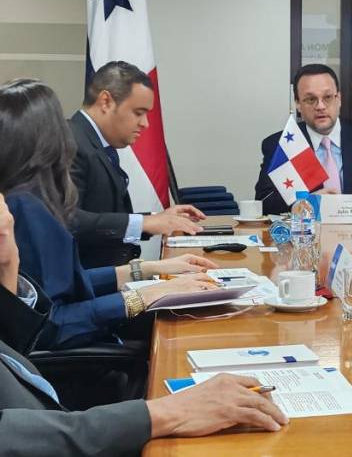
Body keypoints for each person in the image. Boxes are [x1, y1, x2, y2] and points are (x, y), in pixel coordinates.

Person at [0, 194, 288, 456]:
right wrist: (166, 413)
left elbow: (32, 326)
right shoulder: (26, 205)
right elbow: (50, 330)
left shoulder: (25, 207)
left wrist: (144, 271)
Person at [0, 78, 219, 350]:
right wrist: (146, 296)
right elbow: (51, 323)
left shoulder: (23, 197)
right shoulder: (24, 205)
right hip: (75, 364)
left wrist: (147, 270)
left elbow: (64, 284)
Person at [70, 60, 205, 268]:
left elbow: (104, 212)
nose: (145, 124)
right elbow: (68, 220)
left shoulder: (96, 142)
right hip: (90, 286)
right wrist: (144, 223)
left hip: (112, 277)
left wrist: (156, 219)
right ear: (105, 101)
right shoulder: (70, 141)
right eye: (138, 112)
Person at [254, 64, 352, 214]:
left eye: (328, 97)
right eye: (311, 99)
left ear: (339, 99)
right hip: (307, 236)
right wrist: (308, 203)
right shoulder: (281, 144)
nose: (320, 106)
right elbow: (263, 203)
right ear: (297, 104)